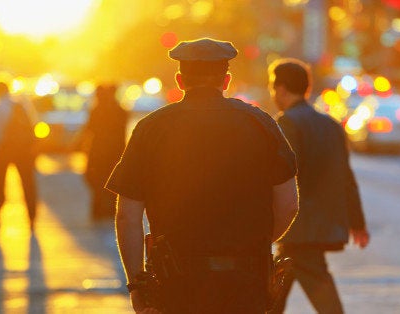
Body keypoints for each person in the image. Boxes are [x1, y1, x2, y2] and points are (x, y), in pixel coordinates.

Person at [106, 38, 299, 314]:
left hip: (176, 285)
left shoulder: (150, 129)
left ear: (180, 80)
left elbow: (127, 217)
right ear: (226, 80)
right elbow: (289, 205)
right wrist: (252, 247)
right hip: (245, 284)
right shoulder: (261, 124)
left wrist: (138, 288)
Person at [267, 58, 370, 314]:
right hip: (319, 224)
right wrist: (357, 221)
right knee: (274, 290)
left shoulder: (287, 123)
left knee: (309, 289)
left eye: (272, 88)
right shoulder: (331, 125)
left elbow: (284, 174)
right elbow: (346, 176)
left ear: (281, 89)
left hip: (299, 226)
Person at [0, 82, 38, 230]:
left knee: (0, 184)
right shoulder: (22, 104)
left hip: (5, 150)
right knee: (28, 184)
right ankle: (32, 218)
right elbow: (34, 125)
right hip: (23, 151)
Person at [81, 84, 127, 221]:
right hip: (115, 152)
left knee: (97, 181)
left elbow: (89, 130)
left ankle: (99, 209)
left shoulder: (97, 111)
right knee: (111, 181)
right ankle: (108, 210)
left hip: (98, 152)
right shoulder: (120, 111)